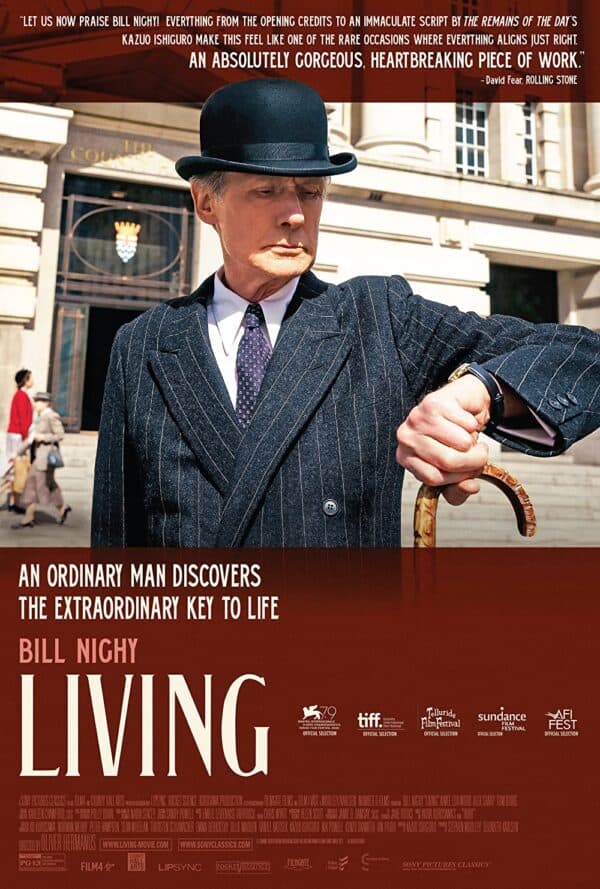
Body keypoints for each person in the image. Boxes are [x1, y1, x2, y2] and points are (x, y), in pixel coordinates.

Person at [92, 78, 600, 547]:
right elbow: (115, 542)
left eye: (310, 192)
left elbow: (583, 353)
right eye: (266, 190)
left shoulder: (379, 318)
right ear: (206, 203)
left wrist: (481, 391)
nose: (295, 213)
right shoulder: (144, 344)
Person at [12, 392, 71, 529]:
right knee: (47, 485)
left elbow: (60, 435)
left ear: (45, 403)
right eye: (35, 401)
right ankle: (62, 508)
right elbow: (30, 439)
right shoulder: (39, 418)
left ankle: (28, 518)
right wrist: (17, 452)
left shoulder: (51, 416)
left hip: (45, 459)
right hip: (38, 458)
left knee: (32, 485)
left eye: (38, 401)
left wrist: (43, 437)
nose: (35, 404)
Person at [2, 368, 33, 510]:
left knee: (16, 470)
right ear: (25, 380)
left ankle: (13, 501)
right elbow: (22, 419)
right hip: (17, 435)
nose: (32, 380)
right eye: (30, 378)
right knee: (14, 468)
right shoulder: (21, 395)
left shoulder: (22, 395)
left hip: (16, 434)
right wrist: (26, 440)